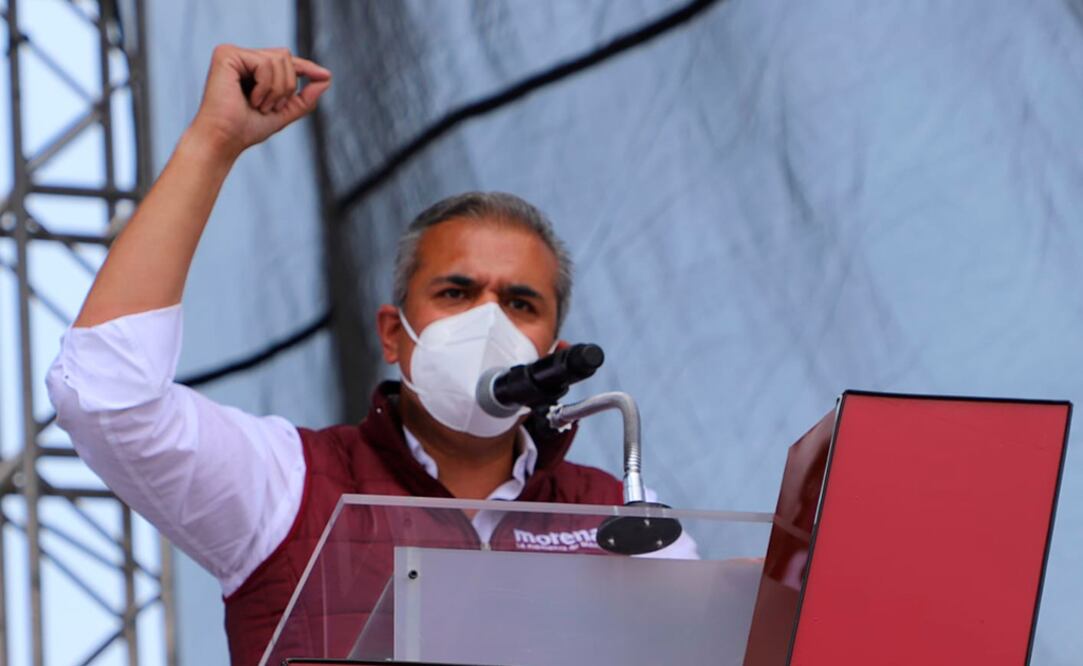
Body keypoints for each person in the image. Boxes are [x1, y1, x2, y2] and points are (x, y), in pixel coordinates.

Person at [46, 45, 691, 665]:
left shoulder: (625, 521)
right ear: (393, 333)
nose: (487, 322)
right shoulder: (288, 486)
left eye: (520, 304)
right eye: (456, 292)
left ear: (557, 356)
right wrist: (213, 143)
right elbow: (106, 396)